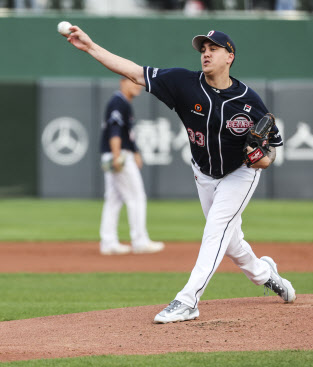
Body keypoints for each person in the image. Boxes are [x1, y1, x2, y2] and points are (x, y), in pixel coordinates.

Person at [64, 26, 296, 323]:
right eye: (203, 49)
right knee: (232, 244)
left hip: (240, 174)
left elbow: (273, 148)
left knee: (216, 229)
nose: (206, 53)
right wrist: (90, 46)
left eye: (214, 48)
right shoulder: (183, 83)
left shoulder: (248, 101)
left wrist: (262, 160)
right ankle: (266, 275)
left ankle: (188, 300)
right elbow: (135, 72)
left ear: (230, 57)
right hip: (203, 174)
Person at [99, 77, 165, 255]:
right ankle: (140, 240)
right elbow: (114, 129)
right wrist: (117, 154)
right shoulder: (118, 102)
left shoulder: (122, 102)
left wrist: (135, 152)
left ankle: (108, 242)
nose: (138, 86)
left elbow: (126, 132)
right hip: (119, 155)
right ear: (122, 81)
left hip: (117, 153)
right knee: (136, 197)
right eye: (133, 81)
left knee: (113, 199)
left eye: (139, 83)